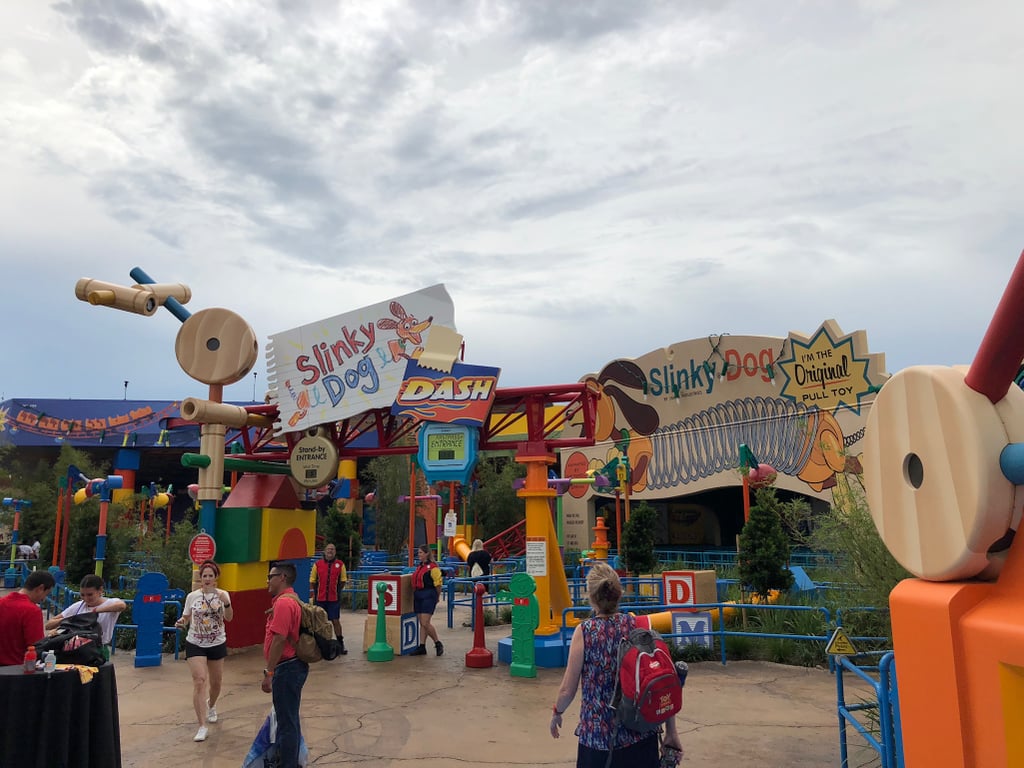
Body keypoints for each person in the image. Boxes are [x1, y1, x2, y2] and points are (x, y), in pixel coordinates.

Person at [549, 562, 682, 767]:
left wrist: (557, 713)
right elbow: (662, 680)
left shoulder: (585, 632)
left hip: (597, 740)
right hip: (641, 734)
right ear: (619, 594)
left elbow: (568, 689)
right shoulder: (638, 625)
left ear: (591, 598)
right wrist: (671, 732)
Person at [175, 560, 233, 742]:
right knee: (199, 681)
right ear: (200, 578)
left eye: (210, 575)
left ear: (216, 578)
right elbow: (186, 616)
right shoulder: (192, 596)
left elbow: (230, 618)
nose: (207, 579)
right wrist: (181, 622)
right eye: (204, 576)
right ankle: (201, 726)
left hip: (216, 642)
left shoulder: (223, 595)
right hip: (195, 642)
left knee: (216, 683)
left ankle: (212, 704)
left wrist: (227, 604)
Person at [262, 561, 309, 768]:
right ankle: (288, 760)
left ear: (282, 577)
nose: (268, 581)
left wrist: (269, 672)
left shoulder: (283, 603)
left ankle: (288, 764)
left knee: (287, 722)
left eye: (271, 576)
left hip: (286, 668)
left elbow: (280, 639)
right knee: (288, 718)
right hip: (293, 666)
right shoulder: (291, 599)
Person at [45, 574, 126, 660]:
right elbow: (48, 625)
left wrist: (96, 611)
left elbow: (122, 606)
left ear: (100, 590)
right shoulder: (78, 606)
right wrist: (68, 620)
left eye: (90, 595)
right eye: (82, 595)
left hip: (98, 649)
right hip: (76, 648)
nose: (86, 598)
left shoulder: (111, 603)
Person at [0, 570, 55, 665]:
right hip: (17, 670)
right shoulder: (32, 611)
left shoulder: (1, 602)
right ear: (40, 588)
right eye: (46, 594)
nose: (44, 599)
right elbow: (36, 646)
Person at [309, 543, 348, 654]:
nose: (330, 551)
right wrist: (316, 594)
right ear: (325, 551)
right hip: (320, 599)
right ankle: (320, 645)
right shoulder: (317, 564)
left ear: (335, 552)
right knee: (320, 622)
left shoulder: (340, 565)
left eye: (332, 549)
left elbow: (343, 580)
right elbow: (312, 581)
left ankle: (340, 644)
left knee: (335, 621)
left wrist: (336, 591)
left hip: (334, 599)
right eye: (328, 549)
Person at [411, 544, 444, 656]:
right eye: (418, 552)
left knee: (425, 622)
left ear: (426, 554)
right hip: (418, 594)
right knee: (422, 622)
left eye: (420, 552)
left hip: (428, 594)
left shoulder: (433, 568)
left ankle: (437, 643)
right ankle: (422, 646)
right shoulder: (419, 566)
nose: (418, 555)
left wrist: (437, 596)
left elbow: (438, 584)